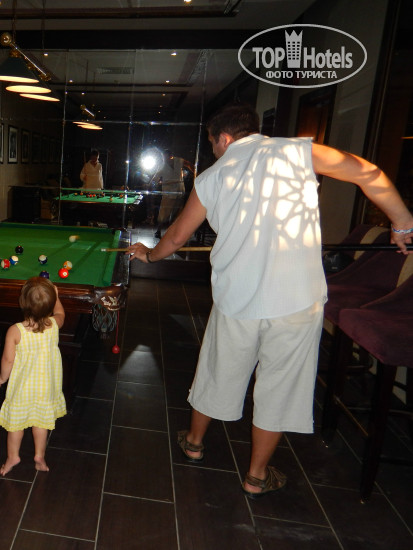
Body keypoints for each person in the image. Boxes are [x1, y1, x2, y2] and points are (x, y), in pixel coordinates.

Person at [127, 102, 413, 498]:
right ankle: (256, 476)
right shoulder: (298, 151)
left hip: (237, 299)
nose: (214, 151)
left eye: (212, 144)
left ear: (223, 138)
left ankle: (193, 443)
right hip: (297, 300)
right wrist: (402, 222)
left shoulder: (212, 177)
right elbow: (367, 172)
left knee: (218, 370)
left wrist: (149, 255)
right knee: (279, 386)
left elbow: (176, 237)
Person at [0, 277, 67, 476]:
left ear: (22, 302)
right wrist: (57, 297)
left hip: (22, 389)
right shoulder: (54, 324)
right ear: (50, 305)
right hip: (46, 388)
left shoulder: (15, 331)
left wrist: (2, 378)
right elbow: (61, 313)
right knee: (41, 423)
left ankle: (13, 457)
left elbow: (8, 360)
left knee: (15, 425)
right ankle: (39, 456)